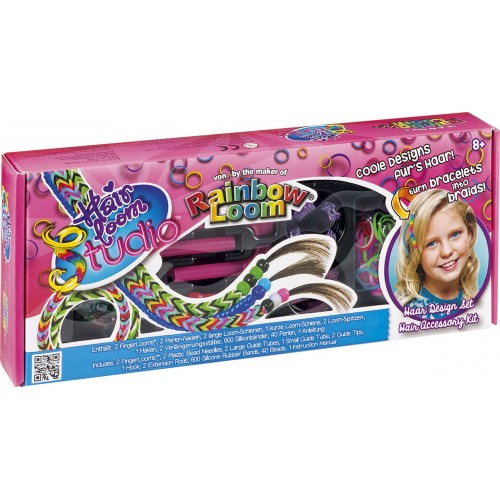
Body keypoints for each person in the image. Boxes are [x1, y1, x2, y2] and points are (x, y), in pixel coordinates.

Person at [395, 189, 479, 319]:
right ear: (414, 252)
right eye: (431, 243)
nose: (446, 251)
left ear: (469, 234)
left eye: (455, 234)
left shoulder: (481, 298)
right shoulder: (407, 313)